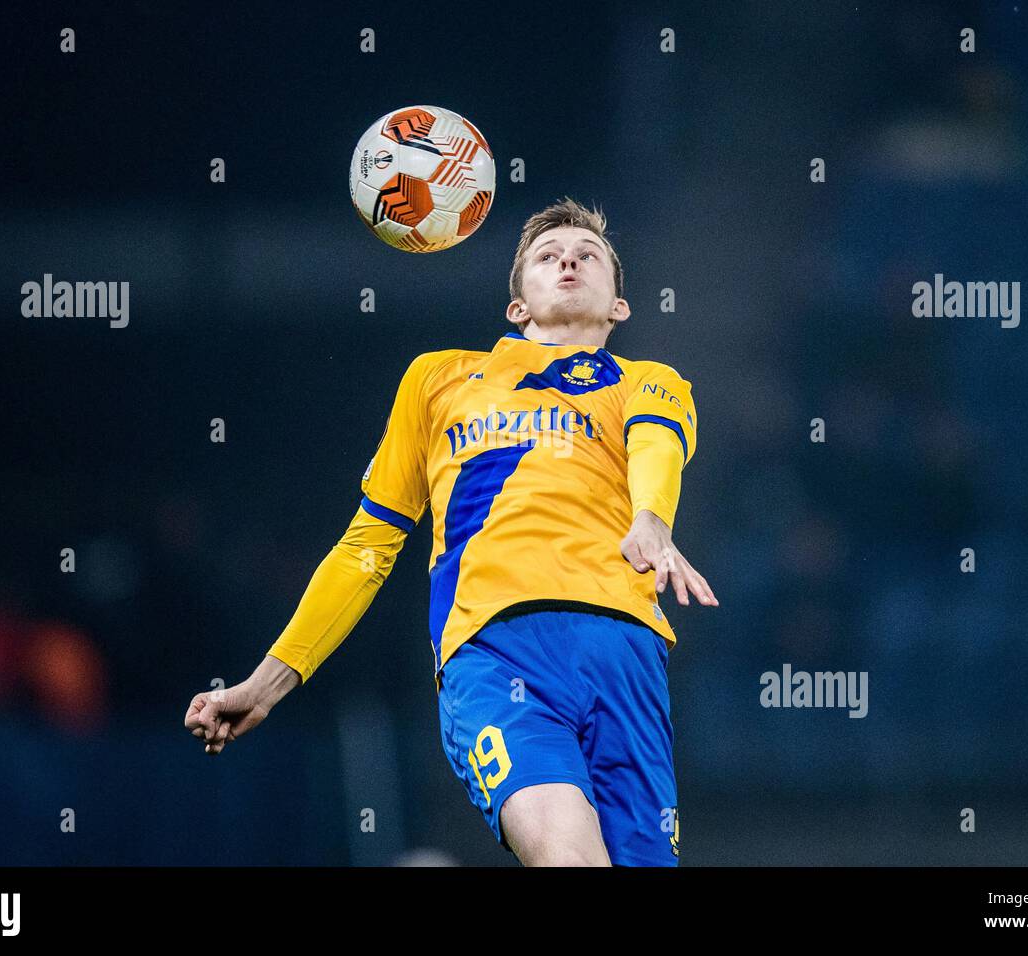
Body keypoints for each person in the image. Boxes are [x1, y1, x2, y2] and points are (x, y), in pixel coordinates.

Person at [184, 198, 718, 865]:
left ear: (620, 306)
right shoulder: (440, 379)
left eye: (589, 254)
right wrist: (262, 687)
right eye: (547, 256)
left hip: (625, 654)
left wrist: (651, 519)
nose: (569, 259)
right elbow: (366, 548)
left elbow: (656, 446)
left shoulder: (650, 382)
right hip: (495, 654)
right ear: (517, 306)